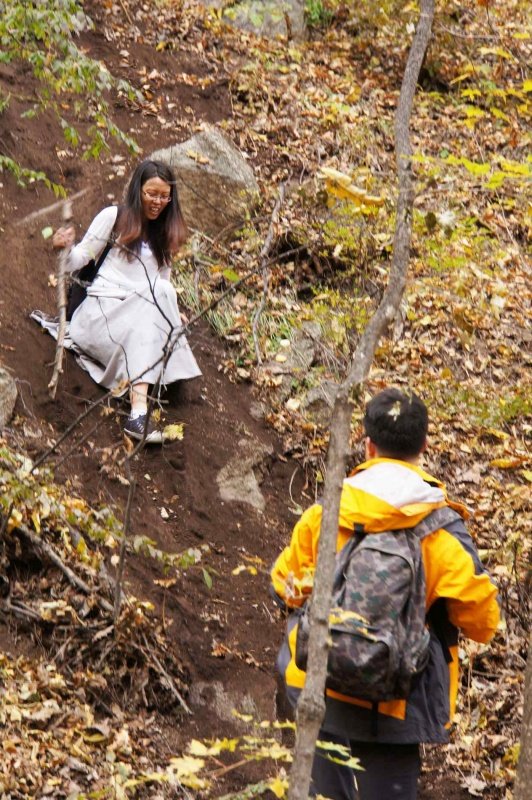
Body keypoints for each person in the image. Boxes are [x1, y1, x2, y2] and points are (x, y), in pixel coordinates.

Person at [270, 387, 500, 799]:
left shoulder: (327, 511)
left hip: (316, 680)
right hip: (396, 702)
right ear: (424, 445)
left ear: (368, 446)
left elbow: (284, 586)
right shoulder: (442, 531)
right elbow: (483, 624)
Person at [35, 159, 201, 444]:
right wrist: (65, 249)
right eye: (151, 194)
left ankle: (139, 411)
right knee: (160, 294)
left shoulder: (165, 234)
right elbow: (78, 260)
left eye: (164, 196)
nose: (157, 202)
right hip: (99, 316)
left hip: (135, 322)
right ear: (138, 190)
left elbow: (162, 284)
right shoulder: (114, 217)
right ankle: (138, 413)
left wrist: (172, 312)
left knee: (164, 293)